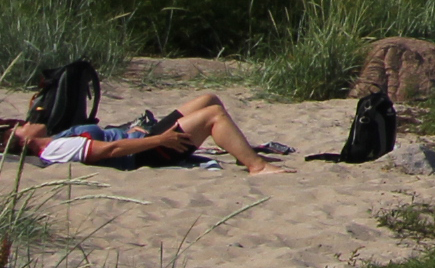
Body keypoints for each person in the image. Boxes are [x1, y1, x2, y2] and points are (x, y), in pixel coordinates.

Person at [5, 92, 292, 175]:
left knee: (209, 99)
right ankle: (257, 166)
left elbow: (109, 138)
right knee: (214, 117)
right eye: (22, 124)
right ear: (22, 138)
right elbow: (110, 151)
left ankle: (242, 153)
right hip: (146, 154)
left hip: (142, 139)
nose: (28, 120)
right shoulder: (53, 149)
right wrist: (160, 139)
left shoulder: (54, 138)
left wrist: (133, 131)